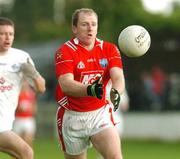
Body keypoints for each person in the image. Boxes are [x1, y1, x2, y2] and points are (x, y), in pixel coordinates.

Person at [55, 8, 125, 159]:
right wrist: (90, 89)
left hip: (99, 114)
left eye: (93, 24)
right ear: (74, 28)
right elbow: (66, 85)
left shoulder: (109, 49)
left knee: (115, 157)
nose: (90, 28)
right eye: (84, 24)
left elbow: (118, 77)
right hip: (72, 117)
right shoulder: (65, 51)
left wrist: (117, 92)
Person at [0, 17, 46, 159]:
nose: (7, 38)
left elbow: (41, 88)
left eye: (11, 34)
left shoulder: (21, 57)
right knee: (26, 152)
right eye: (2, 34)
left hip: (6, 122)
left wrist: (33, 73)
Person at [13, 80, 37, 147]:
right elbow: (13, 109)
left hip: (28, 119)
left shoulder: (31, 95)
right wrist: (19, 109)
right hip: (18, 119)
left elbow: (34, 109)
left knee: (28, 141)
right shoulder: (17, 95)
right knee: (16, 143)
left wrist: (30, 109)